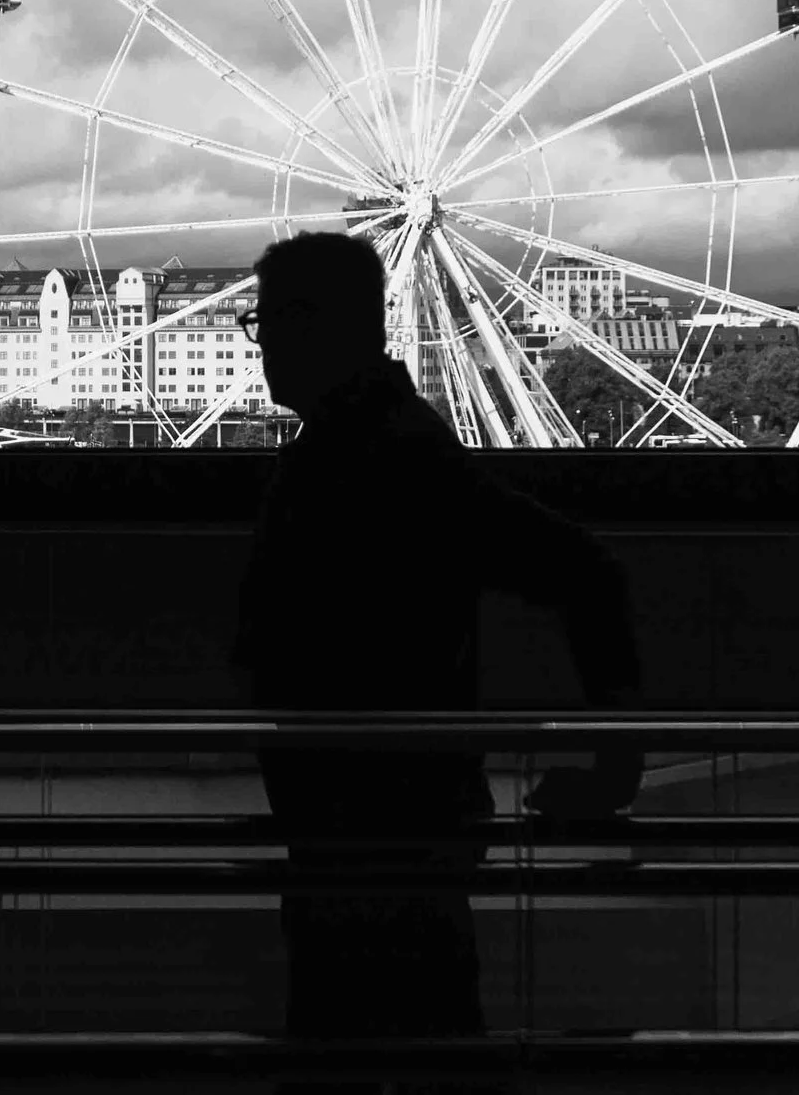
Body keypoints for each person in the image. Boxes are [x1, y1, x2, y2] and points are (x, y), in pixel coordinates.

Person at [229, 233, 645, 1094]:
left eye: (264, 323)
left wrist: (615, 764)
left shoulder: (379, 460)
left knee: (370, 1045)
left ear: (318, 326)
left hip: (372, 824)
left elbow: (585, 573)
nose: (258, 344)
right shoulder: (395, 448)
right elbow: (584, 575)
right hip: (399, 817)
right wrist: (610, 755)